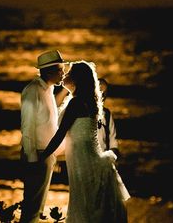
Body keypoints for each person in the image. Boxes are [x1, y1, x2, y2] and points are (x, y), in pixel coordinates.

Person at [40, 61, 130, 223]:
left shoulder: (76, 103)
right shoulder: (88, 101)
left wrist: (43, 155)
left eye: (68, 74)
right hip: (87, 158)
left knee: (84, 205)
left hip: (84, 161)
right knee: (88, 205)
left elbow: (61, 134)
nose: (64, 76)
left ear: (76, 80)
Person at [19, 50, 71, 223]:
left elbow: (49, 122)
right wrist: (33, 159)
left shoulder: (48, 90)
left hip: (46, 154)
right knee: (33, 205)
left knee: (37, 205)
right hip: (38, 155)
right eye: (60, 70)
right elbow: (27, 127)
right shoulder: (32, 91)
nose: (63, 73)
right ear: (49, 71)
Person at [97, 78, 120, 157]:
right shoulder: (82, 112)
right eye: (99, 92)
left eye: (104, 93)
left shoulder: (106, 114)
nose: (102, 96)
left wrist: (110, 157)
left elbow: (113, 141)